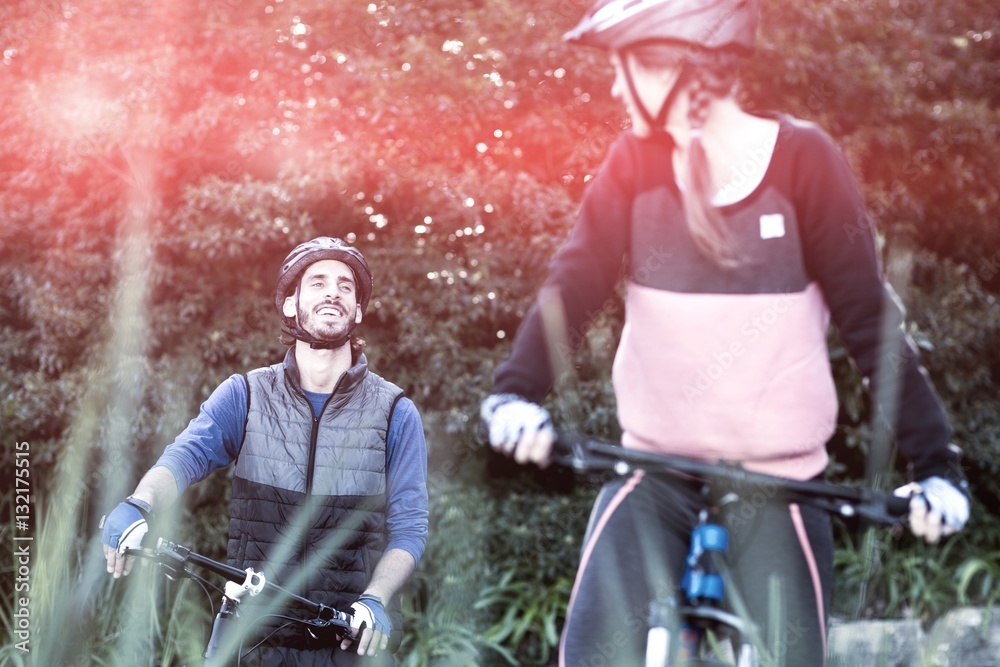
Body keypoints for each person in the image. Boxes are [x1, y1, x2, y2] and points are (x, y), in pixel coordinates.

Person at [480, 1, 970, 665]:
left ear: (678, 68)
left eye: (628, 70)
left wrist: (937, 469)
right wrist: (514, 394)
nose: (617, 88)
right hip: (652, 468)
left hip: (780, 478)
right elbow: (576, 283)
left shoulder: (805, 162)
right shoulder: (634, 162)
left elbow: (868, 322)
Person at [101, 237, 428, 667]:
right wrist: (139, 504)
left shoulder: (395, 412)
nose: (333, 291)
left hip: (350, 642)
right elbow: (184, 458)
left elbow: (409, 527)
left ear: (359, 310)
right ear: (291, 305)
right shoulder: (247, 394)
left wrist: (377, 599)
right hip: (256, 642)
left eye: (345, 286)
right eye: (318, 282)